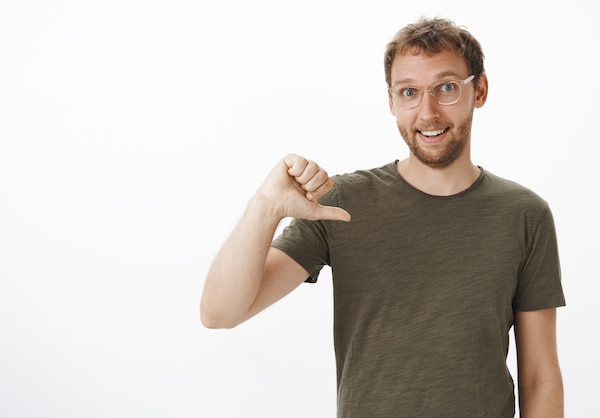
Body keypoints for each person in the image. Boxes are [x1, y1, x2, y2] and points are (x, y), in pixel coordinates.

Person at [200, 17, 565, 417]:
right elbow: (220, 313)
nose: (427, 112)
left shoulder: (524, 215)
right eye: (409, 92)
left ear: (479, 90)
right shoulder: (340, 202)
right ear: (392, 102)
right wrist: (265, 207)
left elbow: (539, 378)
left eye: (446, 88)